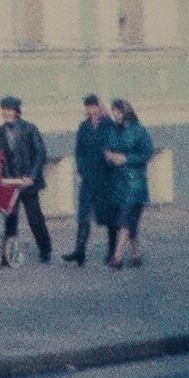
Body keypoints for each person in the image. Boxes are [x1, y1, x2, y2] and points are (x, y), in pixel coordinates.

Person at [0, 95, 52, 264]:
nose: (6, 113)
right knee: (10, 218)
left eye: (9, 109)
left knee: (35, 218)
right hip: (10, 183)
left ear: (17, 111)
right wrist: (0, 178)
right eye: (4, 109)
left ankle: (45, 250)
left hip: (27, 182)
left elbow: (40, 153)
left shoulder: (29, 129)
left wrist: (32, 175)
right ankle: (8, 255)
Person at [102, 97, 154, 268]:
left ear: (125, 111)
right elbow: (107, 150)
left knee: (125, 220)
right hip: (118, 183)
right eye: (113, 111)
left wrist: (126, 159)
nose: (115, 114)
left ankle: (117, 257)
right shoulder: (113, 131)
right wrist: (110, 157)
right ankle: (136, 254)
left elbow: (147, 153)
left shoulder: (139, 131)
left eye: (117, 111)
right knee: (128, 221)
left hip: (134, 183)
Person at [64, 93, 114, 266]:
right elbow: (78, 150)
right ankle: (80, 251)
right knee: (83, 215)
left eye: (94, 106)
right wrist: (81, 168)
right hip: (88, 177)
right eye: (88, 106)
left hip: (106, 177)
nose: (91, 110)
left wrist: (110, 165)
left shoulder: (109, 125)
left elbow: (114, 146)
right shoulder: (83, 127)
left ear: (100, 107)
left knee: (108, 215)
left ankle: (113, 250)